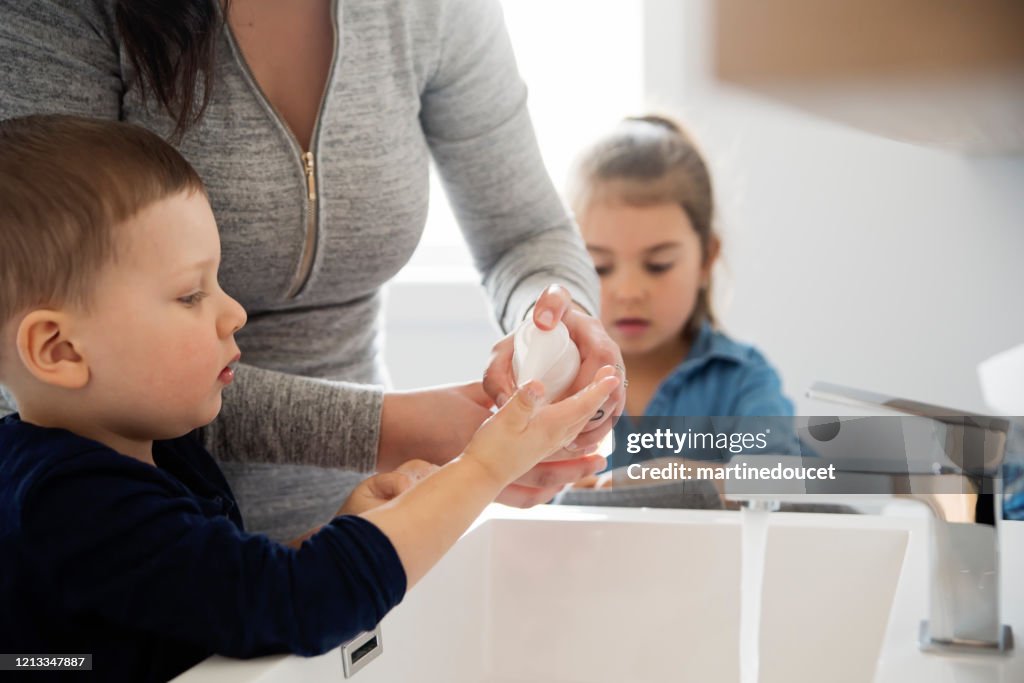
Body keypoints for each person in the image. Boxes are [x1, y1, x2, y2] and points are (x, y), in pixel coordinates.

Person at [0, 115, 621, 682]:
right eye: (192, 295)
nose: (233, 312)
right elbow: (294, 606)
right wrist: (485, 468)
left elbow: (217, 601)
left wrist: (342, 537)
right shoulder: (72, 505)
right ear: (59, 349)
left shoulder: (153, 451)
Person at [0, 0, 625, 540]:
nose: (233, 314)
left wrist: (560, 323)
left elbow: (525, 231)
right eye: (192, 294)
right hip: (156, 529)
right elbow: (40, 340)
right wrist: (439, 447)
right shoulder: (59, 16)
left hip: (353, 517)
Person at [562, 115, 799, 497]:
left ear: (706, 259)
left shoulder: (741, 379)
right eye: (601, 266)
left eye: (658, 265)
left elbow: (782, 479)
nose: (629, 291)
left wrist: (683, 478)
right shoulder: (555, 381)